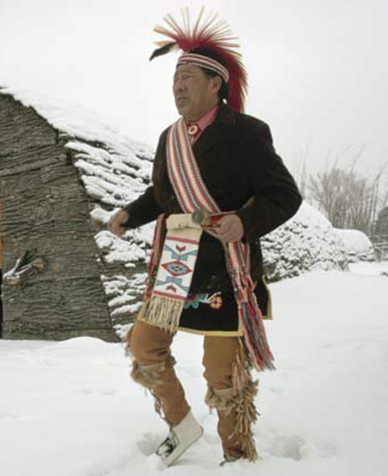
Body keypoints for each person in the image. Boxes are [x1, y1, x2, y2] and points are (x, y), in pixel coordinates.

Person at [108, 8, 302, 468]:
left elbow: (284, 195)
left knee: (224, 374)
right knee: (144, 344)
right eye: (174, 77)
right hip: (176, 262)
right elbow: (162, 197)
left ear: (216, 84)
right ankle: (181, 425)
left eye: (188, 76)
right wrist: (129, 214)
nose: (178, 85)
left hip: (225, 269)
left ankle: (235, 454)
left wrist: (244, 222)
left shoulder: (248, 134)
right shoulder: (169, 139)